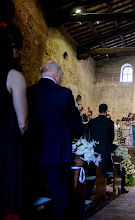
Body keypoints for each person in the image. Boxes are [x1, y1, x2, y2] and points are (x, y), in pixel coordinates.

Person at [26, 61, 84, 220]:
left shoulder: (29, 92)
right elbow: (76, 124)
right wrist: (81, 148)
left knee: (33, 198)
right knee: (61, 198)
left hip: (32, 157)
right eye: (62, 75)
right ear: (57, 74)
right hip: (57, 157)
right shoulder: (64, 93)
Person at [0, 17, 28, 219]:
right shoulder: (13, 76)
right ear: (11, 48)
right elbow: (22, 122)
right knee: (7, 195)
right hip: (7, 145)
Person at [87, 104, 114, 178]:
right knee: (104, 169)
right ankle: (103, 184)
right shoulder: (110, 123)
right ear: (106, 111)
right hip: (105, 149)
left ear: (98, 110)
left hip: (94, 148)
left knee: (93, 168)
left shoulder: (92, 122)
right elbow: (112, 137)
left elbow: (88, 134)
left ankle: (91, 186)